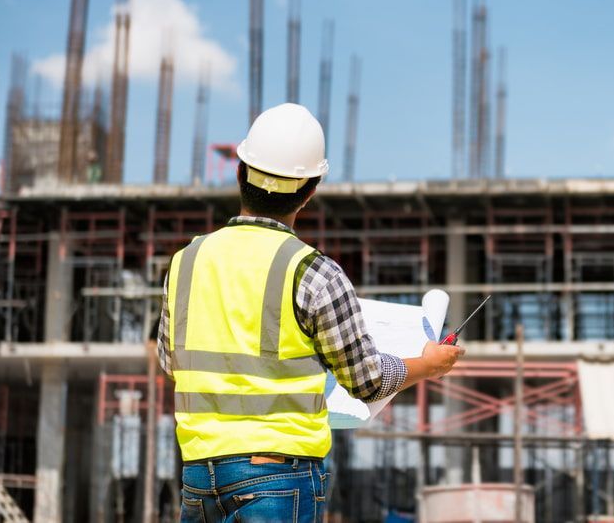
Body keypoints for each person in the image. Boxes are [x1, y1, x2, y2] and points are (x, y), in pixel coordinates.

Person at [157, 103, 464, 522]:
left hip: (199, 475)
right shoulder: (312, 272)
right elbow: (367, 380)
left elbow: (170, 361)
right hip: (278, 478)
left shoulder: (186, 261)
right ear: (312, 188)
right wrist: (428, 365)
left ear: (239, 171)